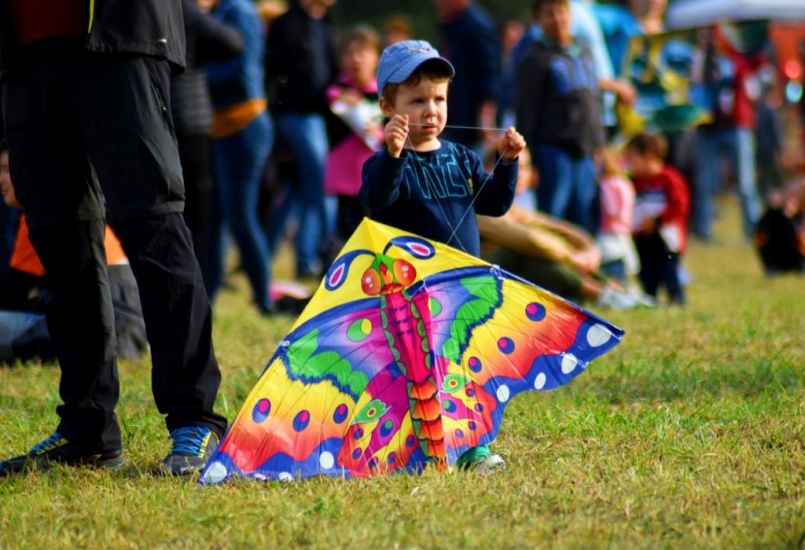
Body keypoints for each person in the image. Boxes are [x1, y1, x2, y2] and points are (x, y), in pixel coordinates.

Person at [0, 0, 228, 477]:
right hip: (25, 52)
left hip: (121, 38)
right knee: (59, 241)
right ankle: (87, 430)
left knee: (153, 224)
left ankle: (194, 417)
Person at [360, 40, 525, 471]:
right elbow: (376, 200)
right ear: (387, 107)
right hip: (414, 297)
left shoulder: (461, 157)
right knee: (420, 375)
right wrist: (393, 155)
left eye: (438, 99)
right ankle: (413, 447)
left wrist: (507, 162)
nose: (430, 110)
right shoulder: (382, 163)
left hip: (464, 292)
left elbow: (494, 204)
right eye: (416, 101)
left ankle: (473, 449)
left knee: (465, 371)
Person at [0, 144, 147, 362]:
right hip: (127, 333)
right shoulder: (70, 208)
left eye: (7, 170)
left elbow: (13, 293)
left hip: (96, 333)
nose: (1, 179)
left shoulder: (41, 219)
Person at [203, 0, 275, 314]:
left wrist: (193, 71)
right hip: (222, 127)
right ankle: (207, 300)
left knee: (240, 217)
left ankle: (264, 300)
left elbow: (241, 69)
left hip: (244, 125)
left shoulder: (239, 12)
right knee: (217, 218)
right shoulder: (223, 11)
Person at [514, 0, 606, 234]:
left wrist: (599, 143)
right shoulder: (534, 58)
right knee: (553, 218)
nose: (557, 19)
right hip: (553, 150)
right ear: (538, 20)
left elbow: (594, 99)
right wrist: (530, 157)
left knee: (583, 217)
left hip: (585, 151)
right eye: (550, 14)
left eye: (561, 12)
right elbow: (526, 110)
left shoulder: (583, 51)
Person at [171, 0, 243, 286]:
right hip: (189, 120)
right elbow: (233, 43)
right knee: (197, 214)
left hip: (159, 118)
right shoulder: (185, 8)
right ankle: (197, 281)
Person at [265, 0, 338, 279]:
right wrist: (275, 122)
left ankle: (270, 254)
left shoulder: (327, 23)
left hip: (326, 119)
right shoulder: (287, 24)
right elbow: (270, 74)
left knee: (298, 192)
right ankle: (314, 257)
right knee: (322, 187)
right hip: (298, 116)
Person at [324, 25, 382, 246]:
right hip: (343, 180)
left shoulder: (384, 96)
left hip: (372, 179)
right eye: (349, 53)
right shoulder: (334, 92)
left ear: (376, 57)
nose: (356, 59)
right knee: (346, 238)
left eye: (363, 52)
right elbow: (331, 97)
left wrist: (378, 132)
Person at [624, 133, 690, 304]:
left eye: (632, 158)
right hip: (642, 238)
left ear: (648, 155)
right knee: (647, 272)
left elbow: (679, 206)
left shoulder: (669, 179)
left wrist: (657, 221)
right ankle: (649, 299)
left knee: (668, 271)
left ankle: (676, 300)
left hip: (666, 240)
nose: (629, 164)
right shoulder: (634, 182)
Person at [432, 0, 502, 149]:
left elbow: (490, 74)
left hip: (470, 127)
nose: (438, 3)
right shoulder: (452, 26)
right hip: (453, 121)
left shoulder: (477, 27)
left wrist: (486, 117)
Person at [596, 147, 640, 284]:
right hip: (624, 232)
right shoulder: (625, 183)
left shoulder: (607, 184)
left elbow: (612, 210)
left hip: (610, 233)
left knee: (611, 270)